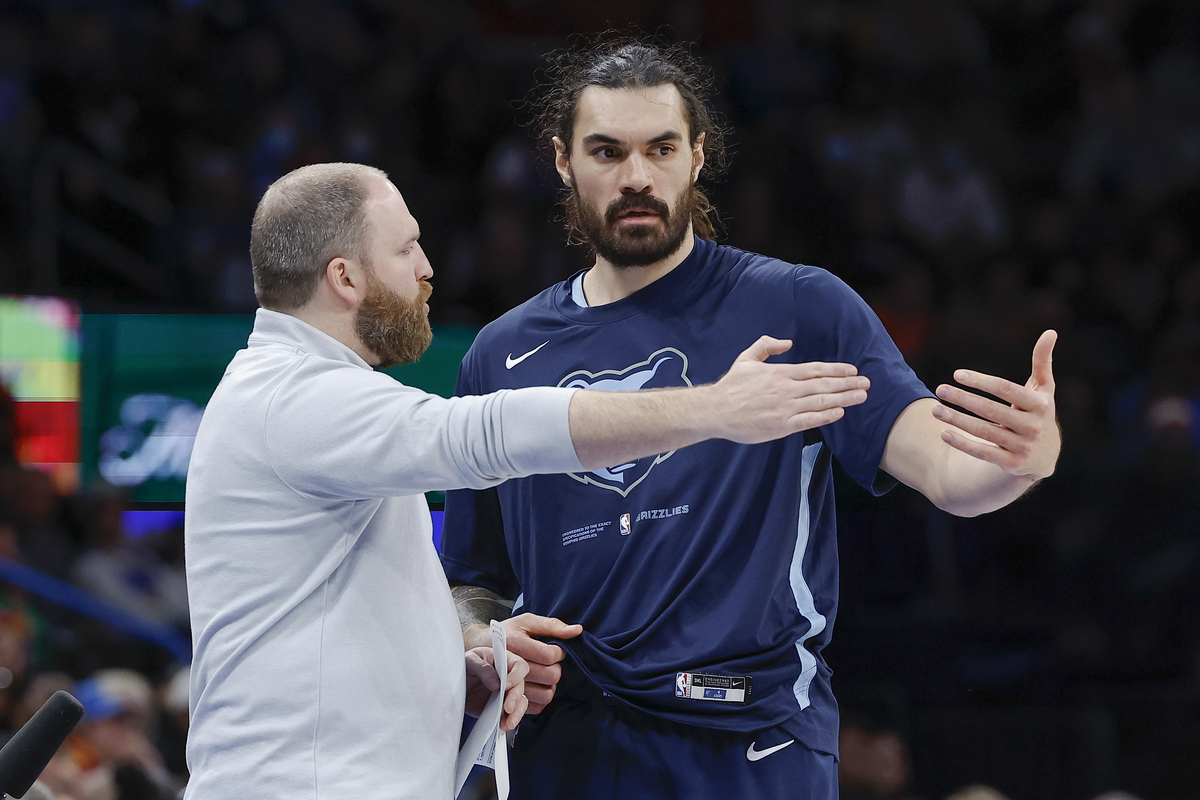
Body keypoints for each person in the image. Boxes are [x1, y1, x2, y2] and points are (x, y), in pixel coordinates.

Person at [440, 41, 1061, 799]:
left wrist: (1020, 459)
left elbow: (946, 472)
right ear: (563, 162)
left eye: (660, 148)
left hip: (750, 743)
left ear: (698, 156)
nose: (637, 176)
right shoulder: (500, 354)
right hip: (563, 745)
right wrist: (480, 638)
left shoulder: (799, 307)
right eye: (607, 151)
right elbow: (474, 578)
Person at [183, 161, 873, 800]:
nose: (426, 269)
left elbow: (340, 617)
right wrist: (712, 408)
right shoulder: (295, 398)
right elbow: (482, 434)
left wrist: (464, 655)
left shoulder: (311, 403)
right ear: (345, 277)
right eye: (406, 249)